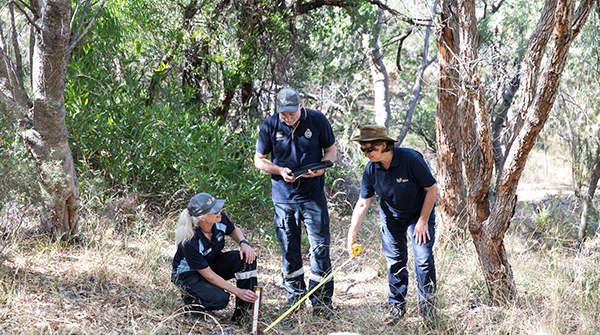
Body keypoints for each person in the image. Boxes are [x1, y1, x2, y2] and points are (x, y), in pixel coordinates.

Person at [254, 87, 337, 316]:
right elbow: (259, 160)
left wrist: (321, 169)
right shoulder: (270, 125)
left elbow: (330, 152)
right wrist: (279, 170)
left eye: (291, 113)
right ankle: (295, 300)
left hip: (313, 197)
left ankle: (321, 303)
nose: (287, 118)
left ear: (301, 106)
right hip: (284, 198)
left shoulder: (318, 120)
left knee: (320, 248)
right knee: (290, 249)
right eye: (283, 114)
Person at [346, 125, 438, 325]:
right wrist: (352, 235)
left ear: (384, 145)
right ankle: (397, 307)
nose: (366, 154)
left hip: (418, 215)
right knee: (395, 262)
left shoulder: (410, 160)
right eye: (363, 150)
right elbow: (363, 202)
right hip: (392, 217)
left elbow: (431, 189)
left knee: (422, 261)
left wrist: (423, 221)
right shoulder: (371, 168)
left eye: (369, 149)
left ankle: (429, 312)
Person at [171, 193, 258, 325]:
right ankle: (193, 302)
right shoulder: (189, 241)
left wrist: (244, 244)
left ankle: (243, 314)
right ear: (202, 217)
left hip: (210, 264)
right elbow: (209, 275)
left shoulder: (219, 219)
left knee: (245, 259)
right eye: (214, 210)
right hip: (189, 275)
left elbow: (233, 229)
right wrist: (237, 291)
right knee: (220, 299)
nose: (220, 211)